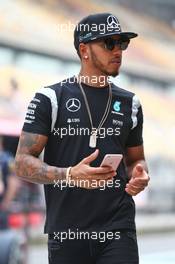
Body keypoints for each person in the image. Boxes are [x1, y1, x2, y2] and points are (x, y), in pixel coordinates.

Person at [15, 13, 150, 264]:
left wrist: (139, 173)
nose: (118, 50)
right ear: (84, 49)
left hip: (117, 230)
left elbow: (136, 161)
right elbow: (22, 163)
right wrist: (68, 175)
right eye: (109, 43)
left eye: (121, 43)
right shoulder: (50, 98)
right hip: (67, 232)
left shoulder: (131, 103)